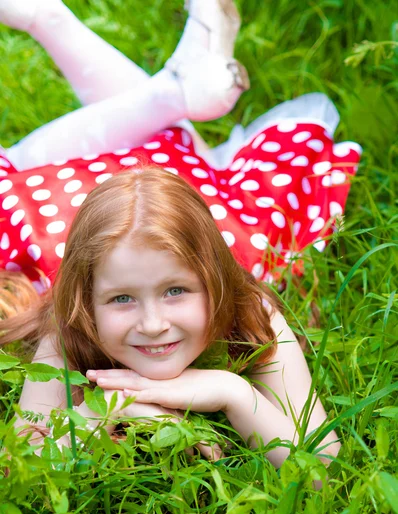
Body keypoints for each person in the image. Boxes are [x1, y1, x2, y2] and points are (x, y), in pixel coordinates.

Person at [0, 0, 361, 464]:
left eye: (176, 291)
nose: (153, 324)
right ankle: (86, 39)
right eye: (121, 299)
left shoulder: (252, 313)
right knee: (157, 145)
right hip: (64, 211)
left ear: (213, 277)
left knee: (160, 145)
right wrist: (109, 408)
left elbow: (323, 469)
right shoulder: (69, 324)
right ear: (86, 298)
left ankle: (156, 75)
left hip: (162, 202)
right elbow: (17, 468)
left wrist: (234, 393)